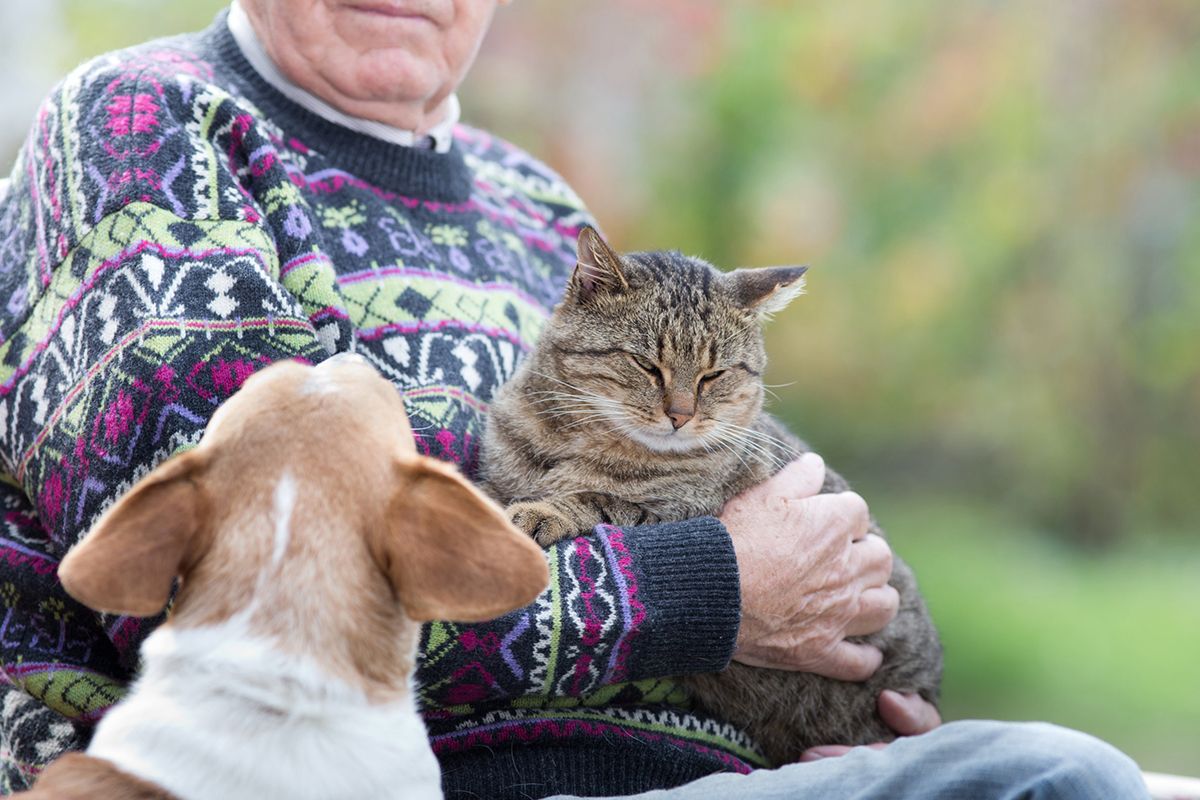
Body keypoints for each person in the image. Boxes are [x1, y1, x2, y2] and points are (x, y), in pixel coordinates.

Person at [0, 2, 1149, 798]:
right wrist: (717, 584)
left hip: (737, 763)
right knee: (1060, 780)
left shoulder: (540, 209)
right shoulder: (152, 125)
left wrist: (818, 709)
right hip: (392, 775)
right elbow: (237, 604)